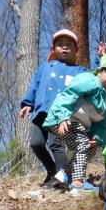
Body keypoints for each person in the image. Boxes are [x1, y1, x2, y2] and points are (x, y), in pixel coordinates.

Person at [43, 52, 106, 195]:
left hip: (80, 125)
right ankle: (78, 184)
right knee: (83, 143)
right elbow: (67, 95)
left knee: (89, 147)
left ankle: (63, 175)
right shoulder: (89, 81)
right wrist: (62, 116)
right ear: (100, 71)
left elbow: (103, 123)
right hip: (64, 119)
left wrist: (98, 136)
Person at [19, 30, 87, 187]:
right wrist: (27, 104)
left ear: (76, 50)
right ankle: (52, 172)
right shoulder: (45, 67)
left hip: (60, 114)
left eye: (69, 45)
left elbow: (94, 80)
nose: (65, 47)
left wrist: (100, 60)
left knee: (56, 144)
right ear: (53, 48)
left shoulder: (79, 71)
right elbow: (34, 86)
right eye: (60, 44)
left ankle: (62, 180)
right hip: (41, 111)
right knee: (36, 143)